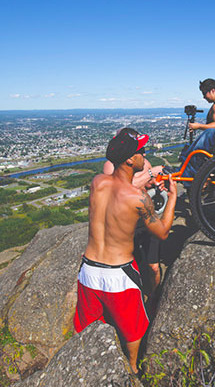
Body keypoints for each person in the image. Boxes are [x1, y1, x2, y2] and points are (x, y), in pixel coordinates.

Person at [74, 129, 177, 375]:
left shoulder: (98, 182)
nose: (143, 154)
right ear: (130, 159)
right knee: (133, 331)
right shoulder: (138, 197)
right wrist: (172, 197)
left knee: (88, 333)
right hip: (118, 277)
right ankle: (131, 372)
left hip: (88, 272)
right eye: (140, 151)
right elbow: (162, 232)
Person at [103, 131, 165, 296]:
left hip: (146, 220)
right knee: (130, 267)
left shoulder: (145, 163)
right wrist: (150, 174)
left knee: (153, 267)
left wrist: (157, 185)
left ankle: (153, 299)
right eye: (140, 148)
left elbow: (151, 184)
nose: (144, 152)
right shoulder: (111, 165)